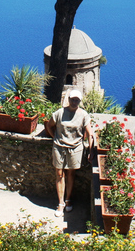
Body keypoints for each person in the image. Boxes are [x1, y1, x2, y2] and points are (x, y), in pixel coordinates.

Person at [45, 89, 95, 217]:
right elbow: (49, 126)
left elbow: (90, 133)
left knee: (71, 174)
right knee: (59, 173)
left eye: (77, 100)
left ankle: (68, 200)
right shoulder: (59, 113)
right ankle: (61, 203)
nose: (74, 102)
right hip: (59, 147)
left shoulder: (84, 115)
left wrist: (90, 150)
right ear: (68, 99)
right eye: (72, 99)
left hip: (75, 148)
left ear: (79, 101)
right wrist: (54, 138)